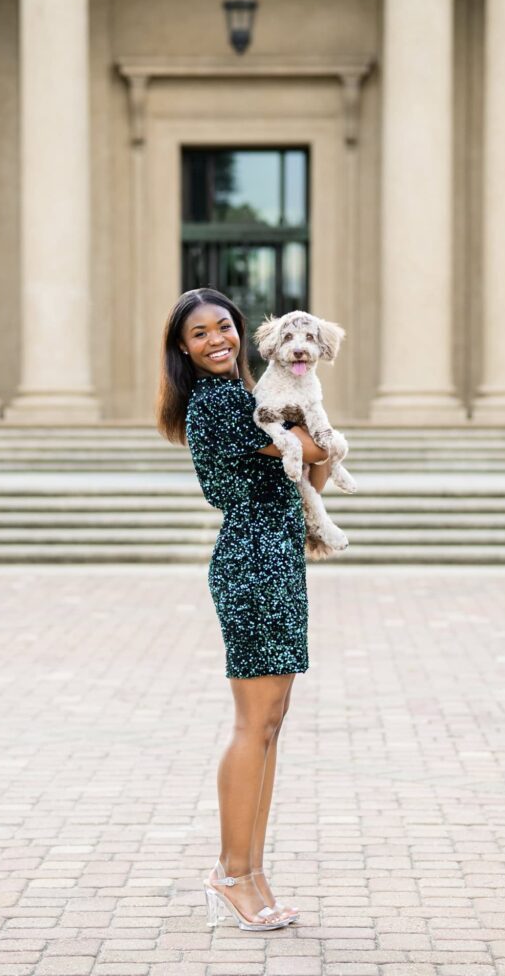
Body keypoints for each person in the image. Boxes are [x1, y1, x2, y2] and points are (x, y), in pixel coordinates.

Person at [156, 288, 332, 932]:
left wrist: (307, 421)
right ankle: (231, 874)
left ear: (239, 331)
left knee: (270, 722)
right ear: (182, 348)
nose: (215, 339)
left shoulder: (248, 400)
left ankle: (253, 872)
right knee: (252, 723)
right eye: (198, 333)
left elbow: (308, 474)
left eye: (222, 326)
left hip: (276, 560)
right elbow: (316, 451)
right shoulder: (224, 404)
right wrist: (311, 411)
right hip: (252, 566)